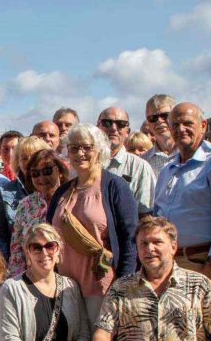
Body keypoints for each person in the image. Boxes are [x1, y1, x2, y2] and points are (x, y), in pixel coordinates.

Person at [46, 125, 138, 323]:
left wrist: (123, 286)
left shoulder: (115, 187)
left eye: (87, 147)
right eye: (73, 148)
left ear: (100, 150)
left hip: (101, 286)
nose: (80, 153)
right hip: (64, 286)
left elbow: (129, 239)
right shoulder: (63, 192)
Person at [153, 102, 211, 283]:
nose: (181, 129)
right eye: (175, 125)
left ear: (203, 126)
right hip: (167, 262)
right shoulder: (168, 168)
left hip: (199, 262)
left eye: (187, 123)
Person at [9, 149, 68, 278]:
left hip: (69, 277)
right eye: (35, 173)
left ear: (60, 172)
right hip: (33, 278)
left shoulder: (72, 199)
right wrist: (18, 280)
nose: (41, 178)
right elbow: (17, 248)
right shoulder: (25, 205)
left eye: (47, 171)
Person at [0, 136, 50, 260]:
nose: (30, 162)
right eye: (24, 158)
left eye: (35, 156)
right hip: (19, 266)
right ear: (17, 161)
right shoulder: (5, 192)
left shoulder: (57, 190)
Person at [97, 107, 155, 215]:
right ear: (97, 128)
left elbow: (146, 215)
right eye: (107, 123)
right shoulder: (82, 164)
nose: (114, 128)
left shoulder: (140, 167)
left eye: (121, 124)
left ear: (127, 132)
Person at [143, 94, 177, 175]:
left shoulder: (193, 154)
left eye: (165, 115)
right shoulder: (144, 162)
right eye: (152, 118)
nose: (159, 121)